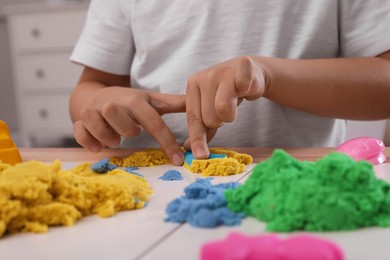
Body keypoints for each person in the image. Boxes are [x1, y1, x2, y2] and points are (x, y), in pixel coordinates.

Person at [69, 0, 390, 166]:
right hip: (149, 181)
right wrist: (98, 104)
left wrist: (270, 75)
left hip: (296, 178)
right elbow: (92, 85)